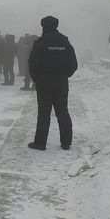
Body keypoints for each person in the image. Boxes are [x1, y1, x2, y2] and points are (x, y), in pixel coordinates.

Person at [27, 16, 78, 151]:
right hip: (61, 82)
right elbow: (73, 64)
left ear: (43, 26)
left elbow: (33, 63)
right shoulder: (65, 42)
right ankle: (66, 142)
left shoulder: (41, 42)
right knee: (62, 111)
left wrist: (37, 78)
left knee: (44, 113)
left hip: (44, 82)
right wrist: (64, 75)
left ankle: (40, 143)